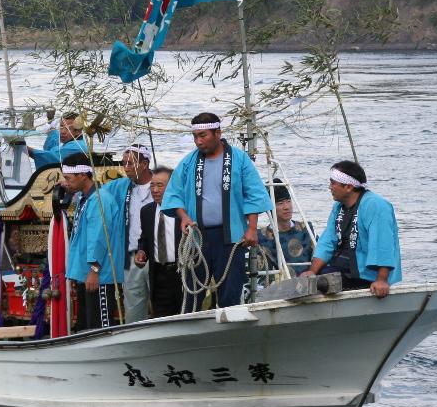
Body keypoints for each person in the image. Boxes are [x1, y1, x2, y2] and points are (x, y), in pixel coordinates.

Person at [161, 112, 272, 310]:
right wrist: (183, 216)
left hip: (231, 238)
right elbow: (173, 193)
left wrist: (252, 228)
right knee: (192, 296)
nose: (198, 141)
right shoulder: (188, 162)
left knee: (230, 296)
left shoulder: (239, 159)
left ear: (218, 133)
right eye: (195, 136)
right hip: (197, 238)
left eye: (203, 136)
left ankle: (231, 335)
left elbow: (254, 194)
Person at [300, 161, 402, 298]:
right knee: (305, 282)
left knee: (321, 283)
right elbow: (327, 241)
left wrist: (382, 280)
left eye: (332, 183)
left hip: (366, 274)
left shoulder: (376, 206)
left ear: (348, 187)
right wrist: (312, 271)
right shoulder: (338, 207)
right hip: (342, 269)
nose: (330, 187)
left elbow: (383, 244)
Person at [61, 153, 123, 330]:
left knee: (100, 326)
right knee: (86, 324)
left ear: (82, 175)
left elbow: (99, 237)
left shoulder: (99, 199)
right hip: (87, 273)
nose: (67, 182)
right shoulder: (85, 197)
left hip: (99, 275)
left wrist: (94, 270)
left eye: (69, 178)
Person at [101, 144, 154, 323]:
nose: (125, 168)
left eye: (130, 163)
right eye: (123, 164)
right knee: (133, 306)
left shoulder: (161, 184)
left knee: (163, 302)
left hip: (158, 255)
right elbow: (96, 195)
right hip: (132, 257)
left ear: (145, 164)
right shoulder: (120, 187)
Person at [134, 167, 184, 317]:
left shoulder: (184, 211)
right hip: (158, 275)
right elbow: (145, 238)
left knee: (185, 316)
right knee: (162, 318)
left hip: (182, 273)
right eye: (152, 185)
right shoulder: (147, 211)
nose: (155, 190)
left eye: (160, 185)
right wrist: (142, 251)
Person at [257, 178, 315, 277]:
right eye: (280, 203)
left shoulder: (305, 229)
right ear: (270, 208)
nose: (286, 207)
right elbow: (262, 275)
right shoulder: (262, 236)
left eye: (288, 201)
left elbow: (318, 256)